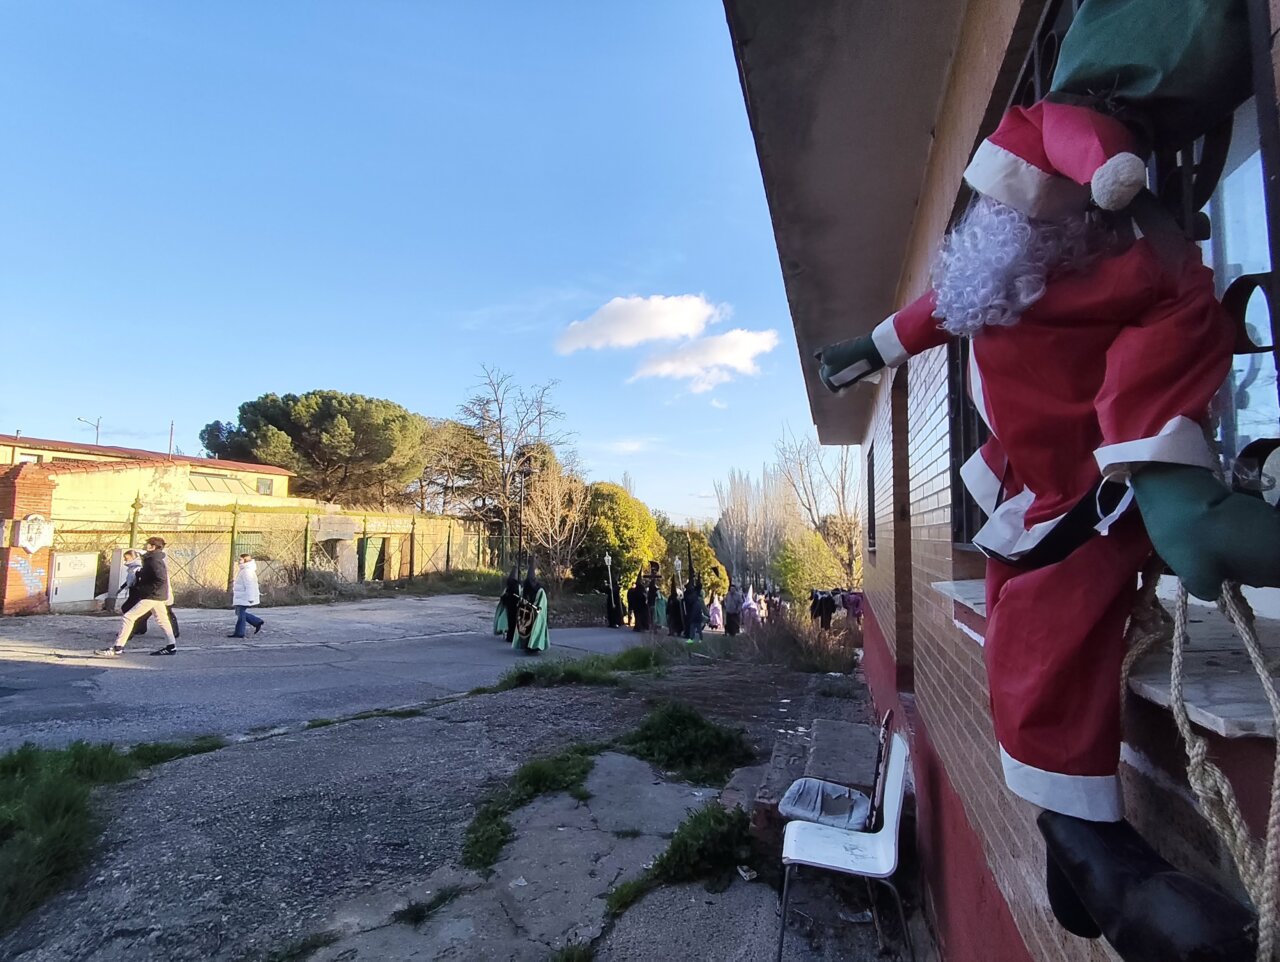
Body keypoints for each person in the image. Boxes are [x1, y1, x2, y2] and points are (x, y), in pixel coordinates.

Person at [99, 537, 178, 656]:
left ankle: (117, 647)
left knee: (128, 617)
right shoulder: (152, 558)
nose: (146, 545)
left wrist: (146, 589)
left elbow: (160, 578)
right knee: (162, 620)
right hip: (157, 595)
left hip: (152, 596)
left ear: (153, 546)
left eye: (148, 544)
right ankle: (171, 646)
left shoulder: (154, 561)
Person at [512, 561, 549, 655]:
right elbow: (521, 600)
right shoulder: (525, 590)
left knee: (535, 630)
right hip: (527, 614)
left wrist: (533, 608)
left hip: (536, 615)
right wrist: (523, 605)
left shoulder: (540, 591)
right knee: (525, 630)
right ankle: (526, 646)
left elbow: (541, 604)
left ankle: (534, 646)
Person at [228, 553, 265, 638]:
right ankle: (257, 622)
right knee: (239, 612)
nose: (238, 561)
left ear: (245, 560)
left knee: (240, 613)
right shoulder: (245, 570)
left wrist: (250, 598)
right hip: (242, 596)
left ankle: (240, 632)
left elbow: (249, 585)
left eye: (240, 559)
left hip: (244, 597)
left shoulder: (246, 571)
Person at [494, 566, 520, 643]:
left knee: (511, 621)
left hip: (510, 605)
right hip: (514, 605)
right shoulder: (516, 586)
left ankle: (510, 636)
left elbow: (503, 597)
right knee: (513, 621)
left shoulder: (509, 586)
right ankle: (513, 636)